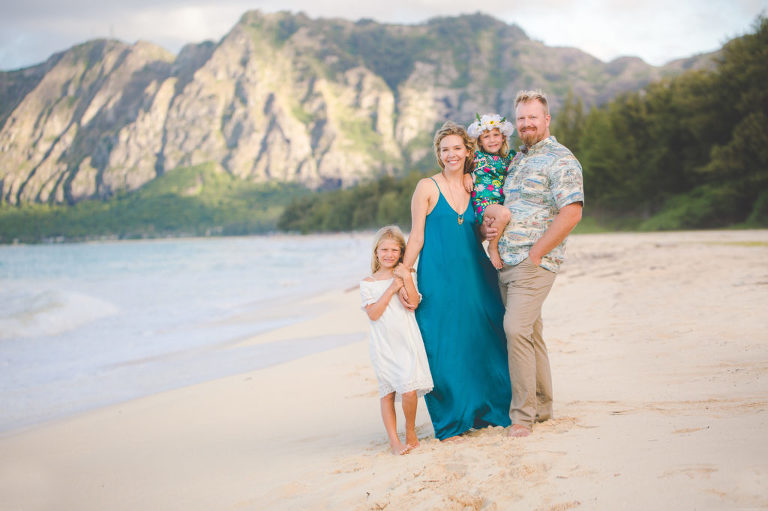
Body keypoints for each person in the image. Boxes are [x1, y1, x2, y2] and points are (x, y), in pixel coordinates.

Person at [482, 90, 584, 438]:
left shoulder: (561, 159)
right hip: (507, 260)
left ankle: (522, 418)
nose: (527, 123)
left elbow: (572, 212)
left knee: (515, 329)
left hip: (534, 262)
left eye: (533, 117)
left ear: (546, 120)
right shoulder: (519, 160)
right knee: (531, 332)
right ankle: (542, 406)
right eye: (522, 118)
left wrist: (538, 253)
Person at [402, 121, 511, 441]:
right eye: (445, 149)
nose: (451, 154)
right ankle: (454, 417)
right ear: (439, 154)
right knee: (442, 343)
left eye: (457, 148)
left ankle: (490, 410)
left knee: (485, 337)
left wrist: (489, 233)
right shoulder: (426, 187)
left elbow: (476, 230)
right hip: (437, 275)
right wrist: (403, 275)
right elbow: (417, 236)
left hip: (476, 273)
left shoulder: (474, 184)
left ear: (468, 151)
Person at [360, 225, 434, 455]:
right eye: (384, 250)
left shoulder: (406, 274)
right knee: (388, 392)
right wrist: (392, 287)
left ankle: (409, 430)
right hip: (383, 344)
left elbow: (413, 302)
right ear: (376, 253)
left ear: (401, 252)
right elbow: (373, 314)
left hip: (407, 339)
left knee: (409, 390)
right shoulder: (368, 283)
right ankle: (394, 441)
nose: (389, 254)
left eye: (394, 250)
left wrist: (405, 279)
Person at [463, 113, 517, 269]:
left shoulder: (510, 157)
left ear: (503, 138)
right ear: (480, 140)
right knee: (504, 214)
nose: (492, 140)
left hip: (500, 203)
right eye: (486, 137)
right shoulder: (476, 158)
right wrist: (466, 174)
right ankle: (492, 247)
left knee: (506, 213)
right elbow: (460, 170)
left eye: (496, 135)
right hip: (484, 204)